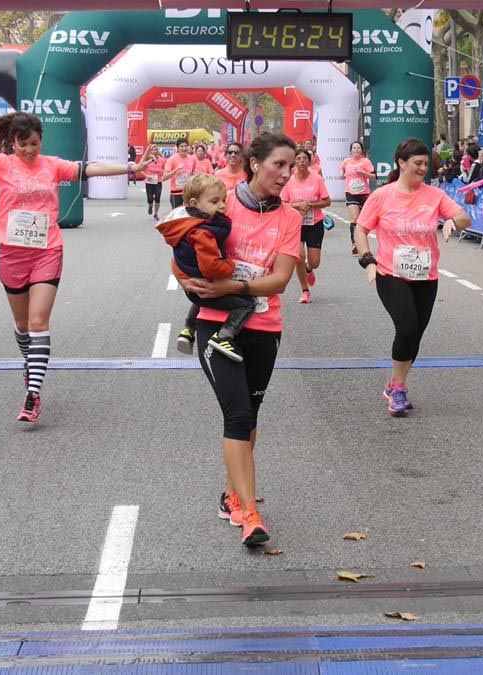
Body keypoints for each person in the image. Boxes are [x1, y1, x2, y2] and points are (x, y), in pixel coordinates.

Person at [0, 97, 151, 423]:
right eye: (23, 144)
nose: (30, 150)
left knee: (39, 322)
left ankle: (32, 395)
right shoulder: (0, 164)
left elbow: (88, 169)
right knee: (23, 326)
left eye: (35, 144)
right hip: (12, 253)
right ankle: (31, 366)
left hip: (47, 251)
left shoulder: (51, 165)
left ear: (41, 142)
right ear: (13, 143)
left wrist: (130, 167)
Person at [180, 132, 302, 547]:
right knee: (237, 415)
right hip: (216, 323)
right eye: (278, 165)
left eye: (292, 166)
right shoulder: (223, 201)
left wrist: (231, 285)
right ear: (254, 164)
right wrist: (192, 284)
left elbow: (281, 280)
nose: (287, 174)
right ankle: (250, 513)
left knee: (250, 413)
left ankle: (232, 495)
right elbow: (183, 244)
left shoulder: (290, 218)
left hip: (265, 326)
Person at [354, 139, 470, 416]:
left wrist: (453, 220)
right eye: (417, 163)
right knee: (406, 328)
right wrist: (367, 258)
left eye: (425, 164)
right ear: (401, 163)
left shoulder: (434, 195)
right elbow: (361, 229)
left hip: (425, 275)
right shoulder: (382, 196)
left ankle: (394, 383)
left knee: (415, 335)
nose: (423, 168)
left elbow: (465, 217)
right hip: (390, 272)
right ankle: (400, 389)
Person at [158, 174, 255, 362]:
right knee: (247, 304)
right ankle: (225, 336)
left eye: (223, 200)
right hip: (200, 284)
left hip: (191, 283)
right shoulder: (203, 232)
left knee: (202, 292)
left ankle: (188, 329)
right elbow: (211, 268)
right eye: (214, 201)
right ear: (195, 203)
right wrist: (230, 265)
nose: (222, 206)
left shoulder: (186, 223)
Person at [280, 148, 331, 303]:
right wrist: (298, 206)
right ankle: (305, 291)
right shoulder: (289, 181)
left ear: (309, 161)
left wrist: (311, 205)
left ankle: (309, 270)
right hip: (295, 224)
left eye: (304, 158)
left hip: (315, 223)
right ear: (294, 162)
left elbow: (327, 201)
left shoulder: (317, 179)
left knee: (314, 262)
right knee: (299, 257)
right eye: (298, 158)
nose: (301, 161)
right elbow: (282, 203)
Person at [341, 141, 374, 252]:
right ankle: (354, 243)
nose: (356, 149)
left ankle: (362, 241)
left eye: (358, 148)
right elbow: (342, 170)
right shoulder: (346, 161)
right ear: (351, 150)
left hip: (364, 193)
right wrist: (341, 174)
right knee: (354, 218)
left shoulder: (366, 162)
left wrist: (364, 173)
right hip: (351, 193)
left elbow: (374, 177)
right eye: (354, 148)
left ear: (361, 150)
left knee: (363, 220)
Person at [163, 139, 195, 209]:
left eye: (185, 146)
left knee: (189, 214)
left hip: (188, 191)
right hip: (176, 192)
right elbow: (164, 177)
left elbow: (193, 174)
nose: (184, 148)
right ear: (177, 148)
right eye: (181, 146)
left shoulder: (192, 159)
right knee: (177, 216)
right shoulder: (172, 159)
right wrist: (176, 170)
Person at [141, 143, 165, 218]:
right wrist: (146, 175)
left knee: (157, 198)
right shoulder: (147, 160)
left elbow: (165, 169)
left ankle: (156, 214)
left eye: (155, 150)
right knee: (150, 198)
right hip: (149, 182)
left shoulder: (162, 160)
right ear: (150, 151)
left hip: (158, 181)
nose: (154, 151)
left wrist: (162, 172)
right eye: (152, 150)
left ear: (158, 151)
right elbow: (140, 170)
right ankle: (150, 206)